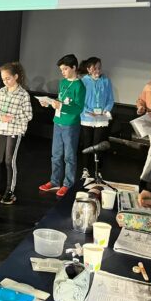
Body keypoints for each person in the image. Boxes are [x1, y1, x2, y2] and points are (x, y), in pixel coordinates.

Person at [0, 62, 32, 205]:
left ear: (16, 76)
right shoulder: (1, 91)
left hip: (14, 130)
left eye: (8, 78)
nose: (5, 82)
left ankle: (10, 191)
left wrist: (12, 117)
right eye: (3, 79)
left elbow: (29, 115)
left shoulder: (23, 94)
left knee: (9, 161)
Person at [39, 54, 86, 197]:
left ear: (74, 67)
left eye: (65, 69)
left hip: (70, 125)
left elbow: (78, 108)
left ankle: (68, 184)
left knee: (69, 156)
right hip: (58, 122)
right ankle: (54, 181)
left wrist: (61, 106)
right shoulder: (63, 82)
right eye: (61, 70)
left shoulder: (80, 86)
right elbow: (61, 100)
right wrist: (49, 103)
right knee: (56, 155)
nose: (63, 72)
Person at [79, 57, 114, 171]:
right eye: (95, 68)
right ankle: (85, 168)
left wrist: (106, 110)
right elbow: (80, 100)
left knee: (98, 144)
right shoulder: (83, 81)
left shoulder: (106, 81)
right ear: (88, 69)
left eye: (99, 68)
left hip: (101, 118)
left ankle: (97, 169)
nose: (98, 71)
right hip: (87, 117)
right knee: (87, 143)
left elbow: (110, 99)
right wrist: (88, 111)